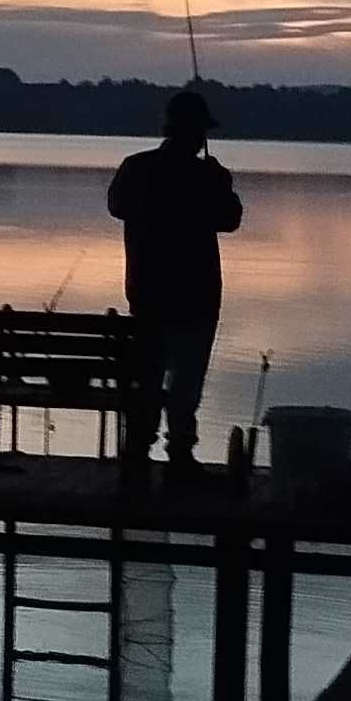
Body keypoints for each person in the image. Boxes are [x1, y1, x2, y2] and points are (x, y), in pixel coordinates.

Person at [107, 90, 243, 475]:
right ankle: (180, 453)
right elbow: (230, 220)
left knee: (148, 377)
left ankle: (137, 450)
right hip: (197, 298)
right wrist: (220, 183)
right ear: (198, 132)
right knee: (186, 383)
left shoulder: (135, 168)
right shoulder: (207, 177)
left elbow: (116, 207)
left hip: (148, 294)